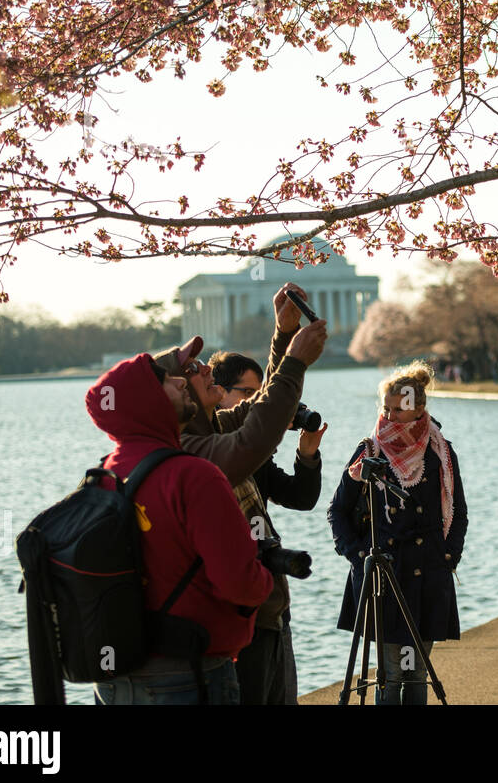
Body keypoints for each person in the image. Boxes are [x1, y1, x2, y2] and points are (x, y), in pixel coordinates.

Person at [152, 282, 328, 704]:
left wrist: (284, 334)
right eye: (191, 371)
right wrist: (296, 360)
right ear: (172, 396)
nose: (205, 369)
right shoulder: (190, 449)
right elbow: (255, 437)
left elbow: (267, 403)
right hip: (235, 627)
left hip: (266, 614)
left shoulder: (216, 427)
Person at [86, 354, 273, 704]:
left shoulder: (103, 477)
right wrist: (266, 577)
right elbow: (239, 583)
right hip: (189, 674)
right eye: (165, 380)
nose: (180, 381)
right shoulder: (194, 475)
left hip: (114, 678)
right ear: (149, 402)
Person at [327, 362, 467, 704]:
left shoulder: (441, 452)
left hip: (429, 572)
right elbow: (337, 511)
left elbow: (458, 512)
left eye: (398, 409)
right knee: (389, 674)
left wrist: (448, 556)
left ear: (418, 409)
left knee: (418, 672)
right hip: (384, 575)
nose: (389, 416)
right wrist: (360, 556)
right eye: (385, 408)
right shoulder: (368, 452)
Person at [208, 349, 326, 705]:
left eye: (262, 393)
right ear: (219, 393)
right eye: (249, 394)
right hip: (242, 616)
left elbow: (301, 498)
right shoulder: (215, 448)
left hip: (274, 607)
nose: (257, 402)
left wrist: (306, 455)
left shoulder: (252, 452)